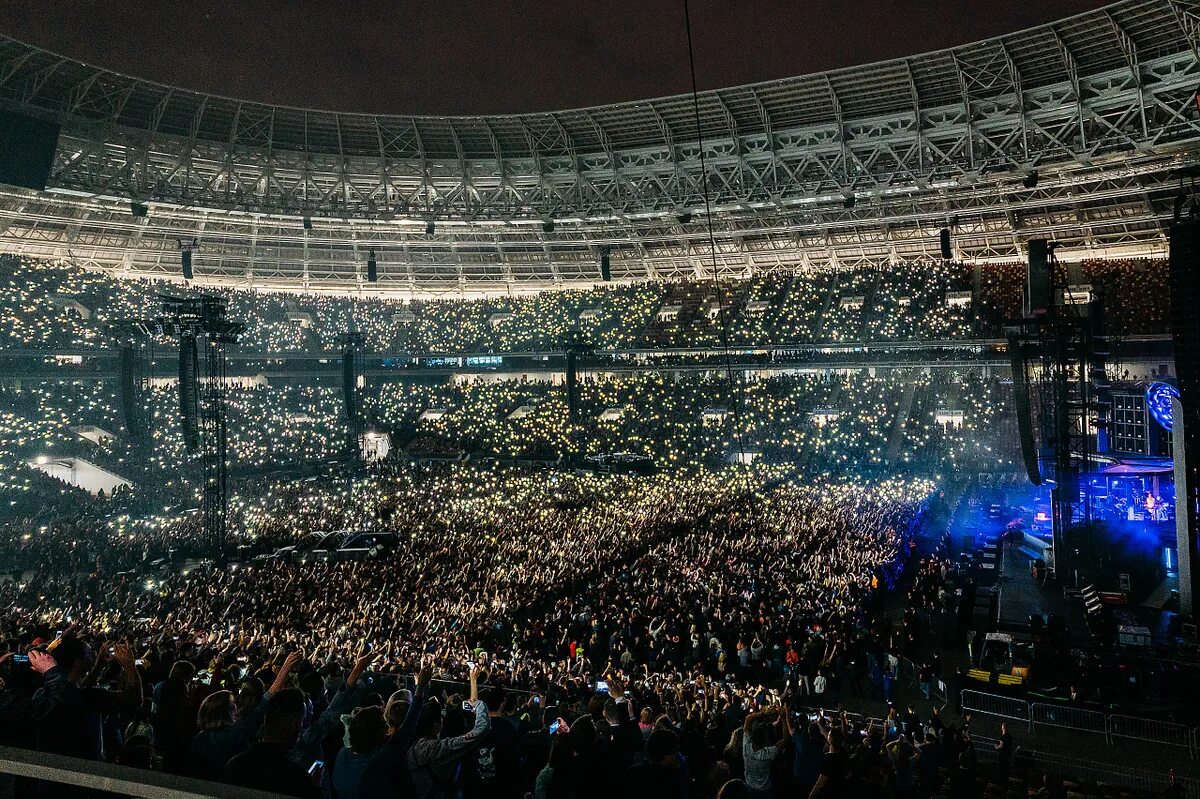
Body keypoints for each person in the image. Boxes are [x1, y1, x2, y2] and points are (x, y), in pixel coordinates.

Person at [188, 651, 301, 777]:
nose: (237, 708)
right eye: (232, 706)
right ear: (222, 712)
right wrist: (284, 671)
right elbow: (264, 704)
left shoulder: (199, 738)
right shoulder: (233, 734)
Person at [30, 638, 142, 761]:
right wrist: (130, 665)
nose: (93, 656)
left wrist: (99, 665)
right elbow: (134, 698)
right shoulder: (89, 697)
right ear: (78, 662)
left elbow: (75, 687)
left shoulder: (44, 692)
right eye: (89, 654)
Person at [222, 686, 317, 798]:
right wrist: (315, 789)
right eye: (302, 721)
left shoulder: (234, 765)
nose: (302, 728)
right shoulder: (296, 778)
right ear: (293, 723)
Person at [741, 706, 789, 799]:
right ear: (765, 741)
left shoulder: (746, 745)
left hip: (749, 786)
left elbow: (748, 719)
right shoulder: (768, 753)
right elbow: (786, 739)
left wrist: (764, 713)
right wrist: (783, 718)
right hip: (765, 790)